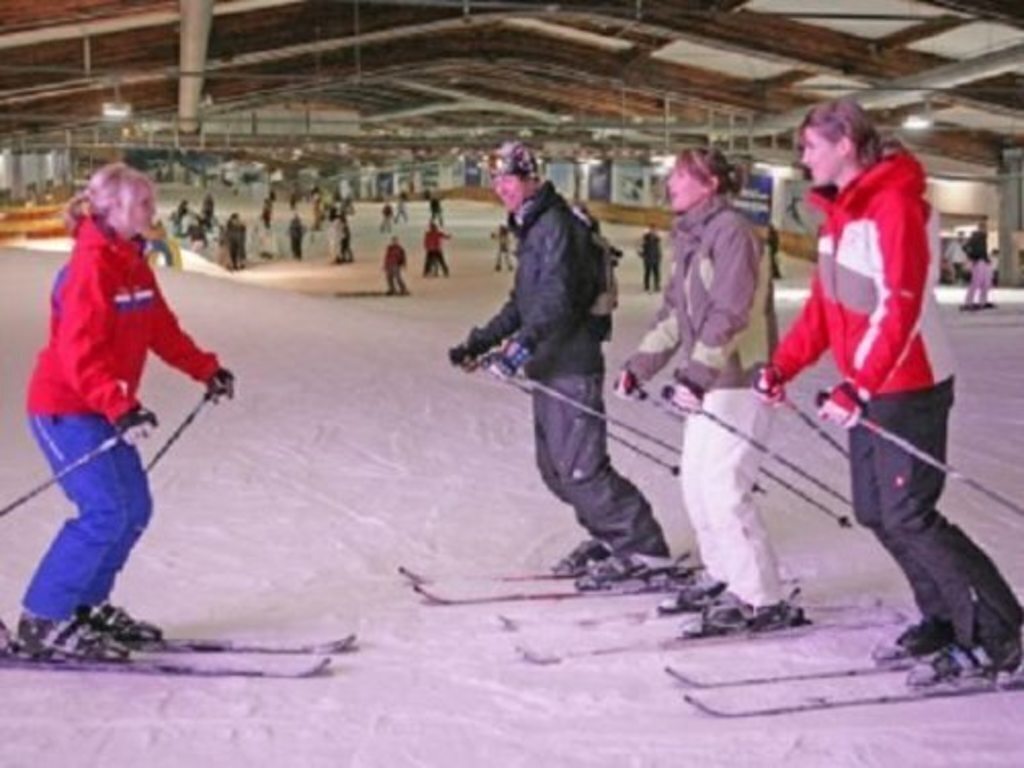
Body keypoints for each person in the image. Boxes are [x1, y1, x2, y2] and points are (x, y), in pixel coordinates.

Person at [754, 98, 1022, 683]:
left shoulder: (894, 205)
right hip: (869, 388)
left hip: (909, 382)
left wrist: (861, 383)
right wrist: (782, 367)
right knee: (877, 513)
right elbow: (825, 310)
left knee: (910, 514)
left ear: (845, 142)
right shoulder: (839, 217)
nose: (804, 160)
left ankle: (1003, 632)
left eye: (810, 147)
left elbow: (899, 306)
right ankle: (947, 617)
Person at [19, 163, 236, 659]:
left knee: (133, 509)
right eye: (142, 204)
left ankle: (85, 606)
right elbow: (79, 354)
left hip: (103, 407)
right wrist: (120, 405)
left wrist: (205, 369)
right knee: (104, 511)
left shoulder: (134, 262)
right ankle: (43, 618)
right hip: (65, 407)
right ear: (112, 210)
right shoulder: (88, 270)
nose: (151, 211)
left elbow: (160, 329)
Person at [447, 141, 671, 587]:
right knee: (556, 473)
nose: (501, 189)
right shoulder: (533, 226)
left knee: (581, 470)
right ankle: (610, 536)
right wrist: (481, 341)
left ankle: (644, 548)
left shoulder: (554, 226)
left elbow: (557, 301)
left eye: (508, 179)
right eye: (496, 180)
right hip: (549, 365)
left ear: (531, 177)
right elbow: (524, 301)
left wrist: (521, 347)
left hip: (571, 363)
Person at [616, 148, 799, 635]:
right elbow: (676, 315)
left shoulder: (733, 233)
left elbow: (730, 312)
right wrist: (640, 367)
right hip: (707, 381)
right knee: (696, 483)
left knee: (723, 488)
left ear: (711, 183)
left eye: (680, 174)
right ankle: (723, 576)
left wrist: (697, 374)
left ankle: (762, 597)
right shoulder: (692, 236)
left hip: (737, 379)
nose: (669, 181)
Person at [962, 223, 994, 310]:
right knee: (976, 282)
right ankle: (969, 302)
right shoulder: (976, 237)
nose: (985, 230)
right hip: (978, 261)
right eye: (984, 228)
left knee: (986, 282)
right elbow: (965, 247)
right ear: (980, 228)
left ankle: (982, 302)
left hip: (984, 260)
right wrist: (972, 257)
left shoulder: (983, 238)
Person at [638, 225, 662, 293]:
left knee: (656, 273)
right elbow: (641, 248)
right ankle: (647, 286)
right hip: (648, 259)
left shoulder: (657, 239)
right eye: (653, 230)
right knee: (648, 273)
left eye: (655, 231)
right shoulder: (646, 239)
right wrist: (642, 255)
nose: (654, 232)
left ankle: (657, 285)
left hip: (655, 259)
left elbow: (658, 250)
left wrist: (659, 257)